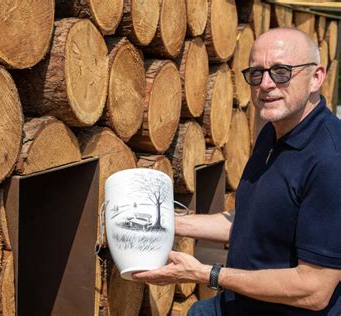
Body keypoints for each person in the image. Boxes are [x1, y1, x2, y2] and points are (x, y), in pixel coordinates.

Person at [132, 27, 341, 315]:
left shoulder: (331, 160)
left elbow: (314, 289)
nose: (266, 84)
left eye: (281, 71)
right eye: (256, 73)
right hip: (238, 304)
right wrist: (166, 222)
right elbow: (247, 220)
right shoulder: (272, 132)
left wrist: (206, 274)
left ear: (316, 77)